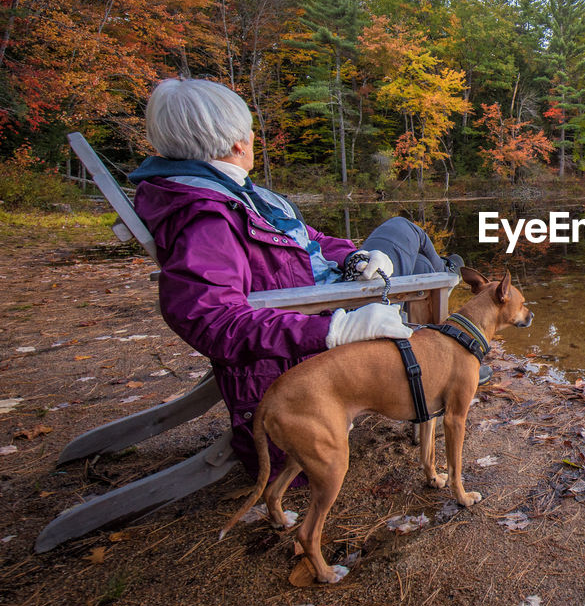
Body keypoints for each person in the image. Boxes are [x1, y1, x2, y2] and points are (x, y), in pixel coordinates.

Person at [128, 78, 474, 477]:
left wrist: (357, 256)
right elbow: (211, 319)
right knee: (425, 269)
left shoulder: (231, 192)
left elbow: (311, 239)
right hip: (325, 311)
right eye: (250, 133)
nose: (253, 139)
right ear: (240, 145)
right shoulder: (207, 216)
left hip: (332, 284)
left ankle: (443, 272)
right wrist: (337, 330)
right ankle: (445, 291)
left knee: (403, 228)